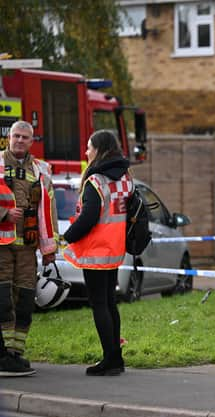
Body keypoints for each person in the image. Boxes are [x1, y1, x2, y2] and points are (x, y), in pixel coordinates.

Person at [63, 130, 133, 376]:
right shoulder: (125, 177)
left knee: (99, 304)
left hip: (95, 251)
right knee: (110, 303)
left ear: (99, 149)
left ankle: (109, 360)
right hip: (115, 250)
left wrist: (67, 236)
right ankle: (116, 358)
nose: (86, 152)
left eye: (89, 147)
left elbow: (89, 217)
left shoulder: (96, 180)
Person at [0, 120, 58, 376]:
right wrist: (3, 213)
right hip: (2, 246)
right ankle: (2, 354)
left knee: (24, 300)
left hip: (28, 249)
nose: (20, 140)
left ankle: (15, 354)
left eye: (25, 137)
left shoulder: (41, 170)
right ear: (8, 138)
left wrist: (49, 248)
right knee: (2, 299)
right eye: (16, 136)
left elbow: (50, 210)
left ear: (31, 141)